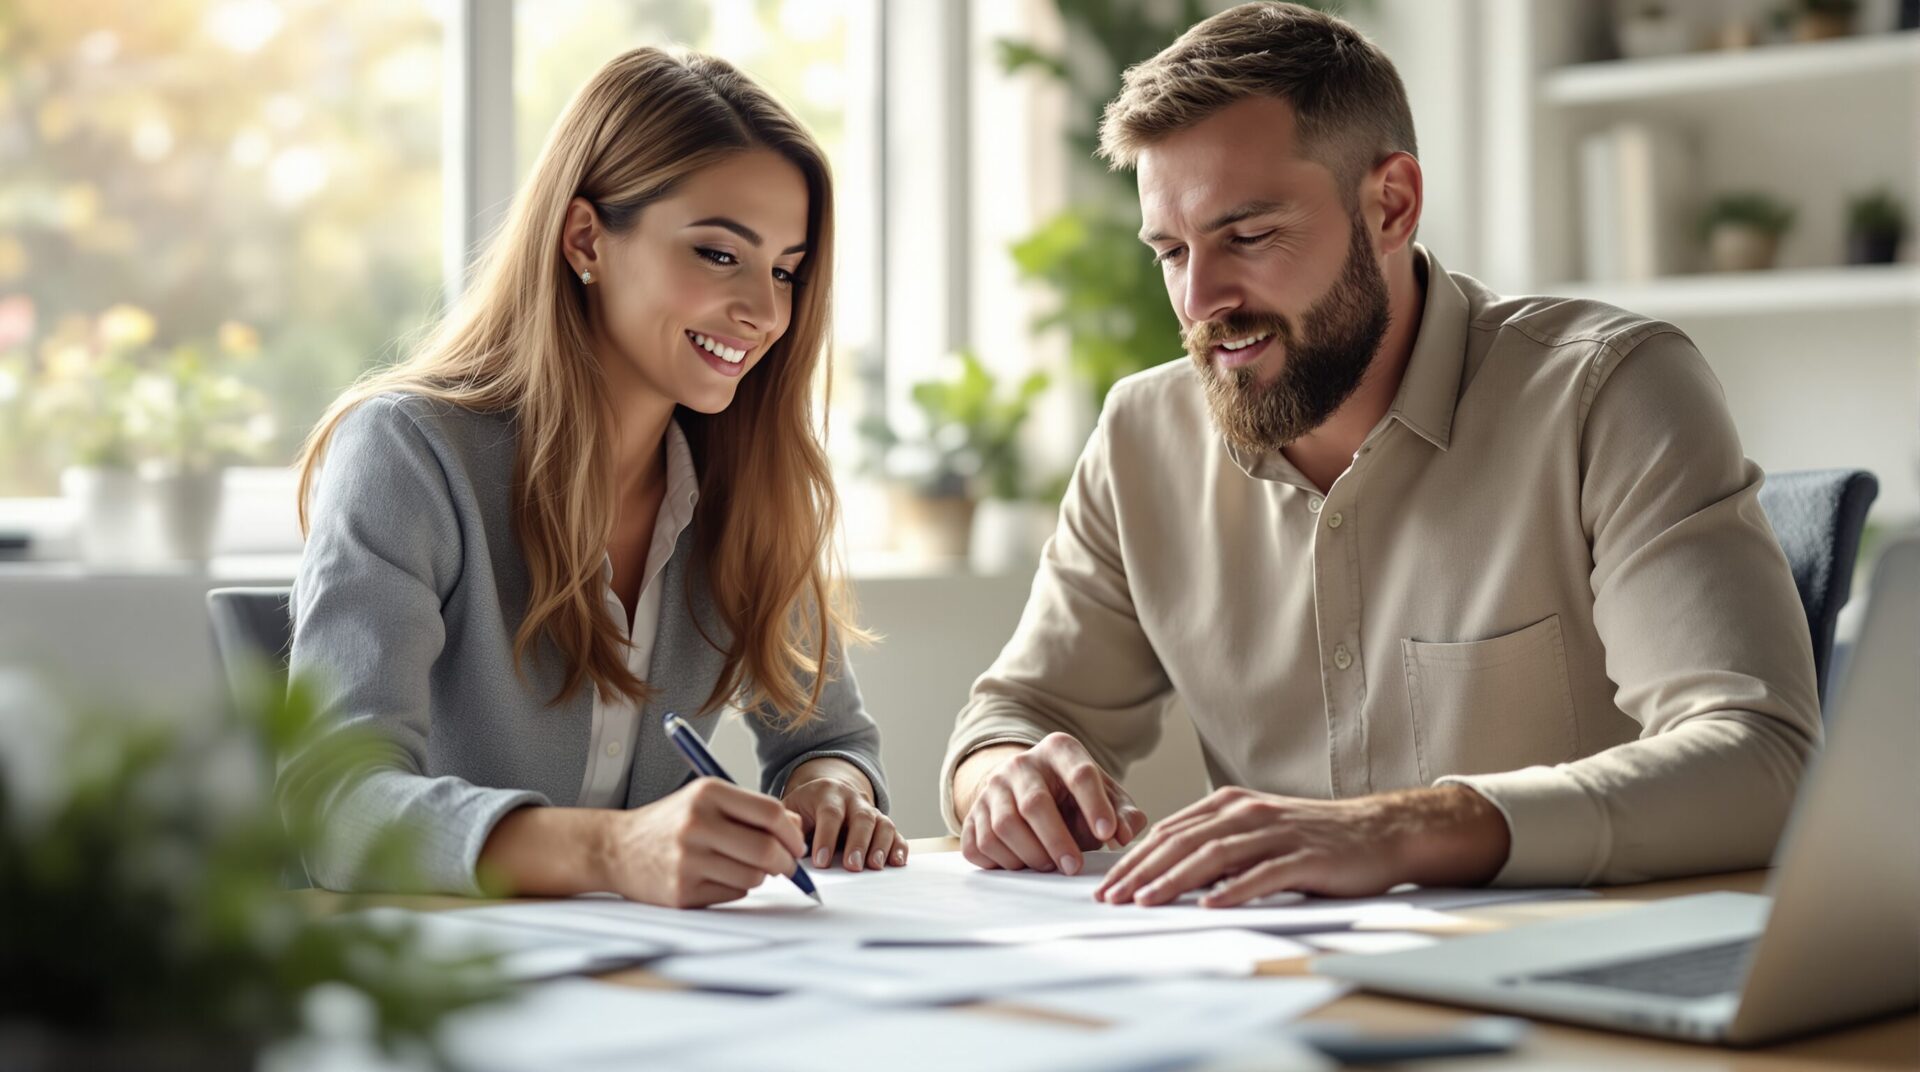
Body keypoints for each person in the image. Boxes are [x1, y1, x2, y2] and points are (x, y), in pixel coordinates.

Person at [943, 2, 1821, 905]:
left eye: (1247, 236)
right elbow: (1020, 716)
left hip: (1566, 1003)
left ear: (1392, 203)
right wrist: (1006, 776)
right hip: (1268, 997)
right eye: (1171, 250)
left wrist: (1399, 830)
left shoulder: (1607, 394)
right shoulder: (1141, 438)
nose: (1200, 298)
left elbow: (1761, 757)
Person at [282, 47, 902, 908]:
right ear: (585, 240)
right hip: (444, 986)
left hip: (656, 987)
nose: (763, 310)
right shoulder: (407, 454)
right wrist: (613, 851)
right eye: (720, 254)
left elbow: (828, 739)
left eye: (786, 270)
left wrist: (832, 790)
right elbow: (335, 806)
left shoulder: (750, 483)